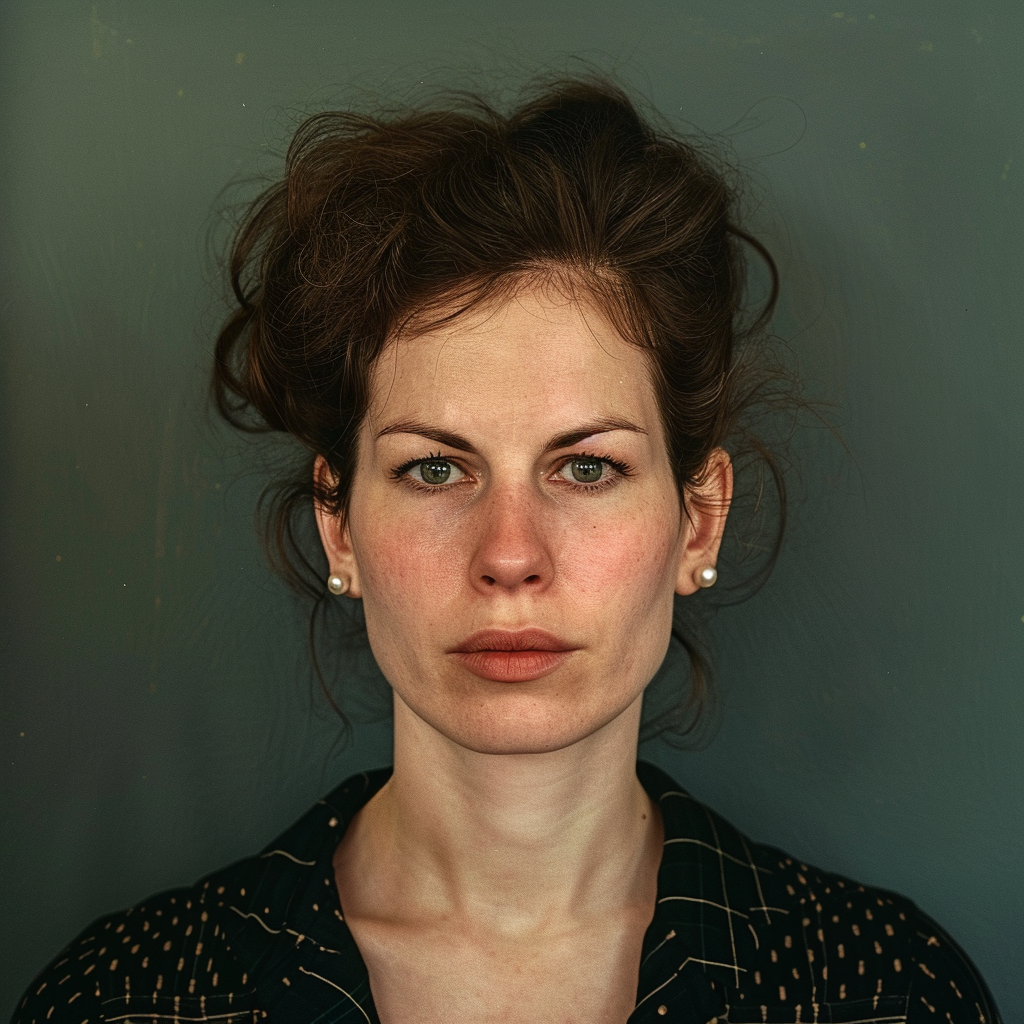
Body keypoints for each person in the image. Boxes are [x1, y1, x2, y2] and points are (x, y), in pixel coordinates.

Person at [13, 77, 1000, 1024]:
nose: (511, 555)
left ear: (697, 519)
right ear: (338, 524)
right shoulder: (130, 998)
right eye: (435, 471)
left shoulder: (883, 991)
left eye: (585, 469)